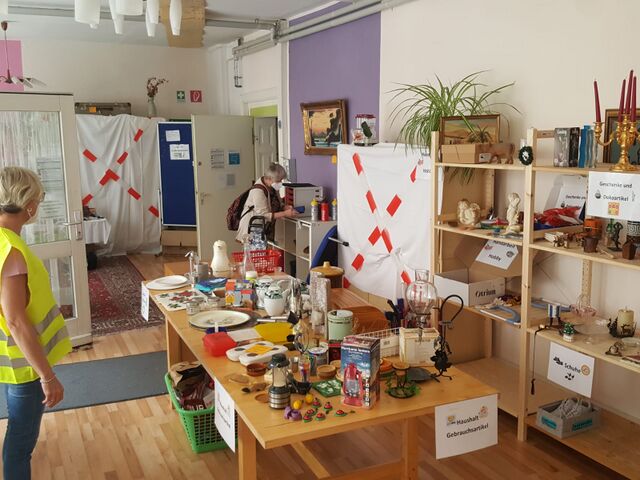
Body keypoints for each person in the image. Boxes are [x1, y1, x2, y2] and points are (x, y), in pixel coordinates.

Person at [0, 166, 71, 480]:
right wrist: (47, 375)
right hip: (23, 363)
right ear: (29, 205)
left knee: (17, 433)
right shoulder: (11, 251)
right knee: (21, 439)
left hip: (11, 357)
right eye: (39, 200)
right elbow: (16, 320)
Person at [236, 163, 298, 243]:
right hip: (253, 225)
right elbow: (264, 214)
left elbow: (277, 202)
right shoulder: (258, 191)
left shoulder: (272, 187)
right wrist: (285, 213)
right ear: (269, 179)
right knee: (255, 249)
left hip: (265, 226)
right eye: (278, 181)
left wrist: (284, 207)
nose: (280, 183)